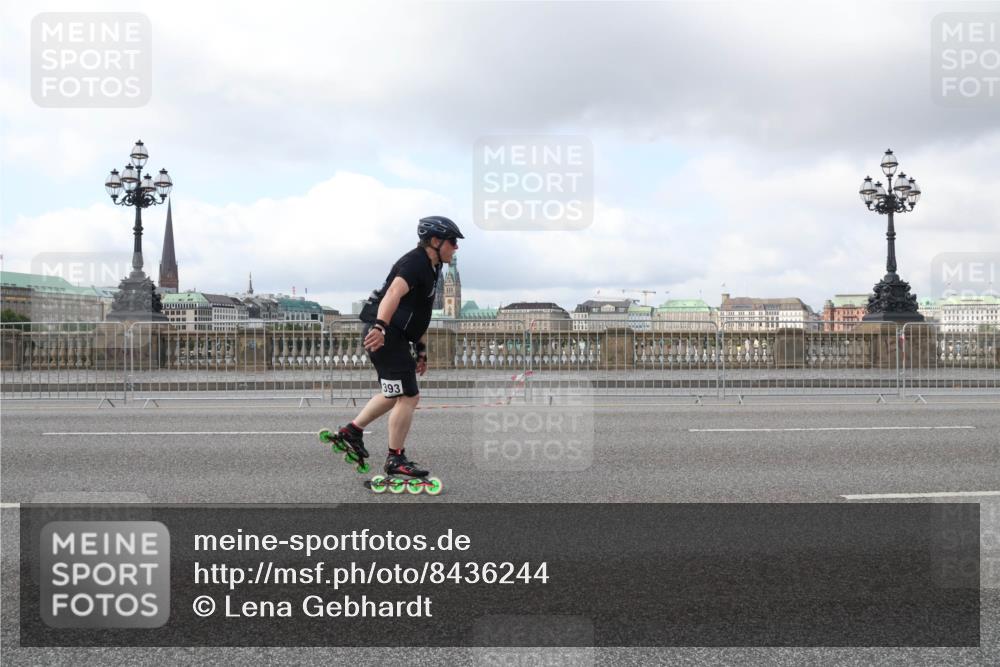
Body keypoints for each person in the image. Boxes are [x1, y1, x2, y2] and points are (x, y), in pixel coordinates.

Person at [331, 215, 464, 482]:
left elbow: (420, 313)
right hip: (386, 334)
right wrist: (380, 327)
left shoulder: (433, 267)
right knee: (408, 396)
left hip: (396, 336)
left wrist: (422, 349)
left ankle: (352, 431)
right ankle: (395, 459)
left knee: (394, 393)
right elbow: (393, 293)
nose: (456, 247)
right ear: (435, 241)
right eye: (452, 241)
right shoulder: (415, 262)